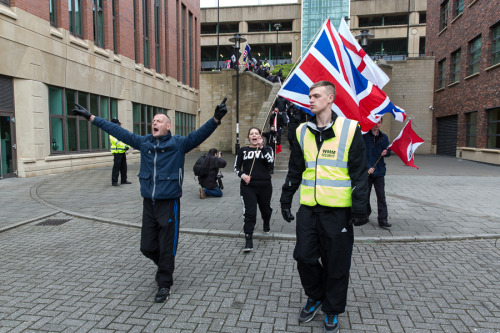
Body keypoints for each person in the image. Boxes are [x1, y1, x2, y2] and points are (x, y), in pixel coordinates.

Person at [72, 98, 228, 303]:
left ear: (168, 126)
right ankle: (166, 266)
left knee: (167, 245)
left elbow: (199, 135)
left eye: (159, 121)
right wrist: (91, 117)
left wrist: (216, 119)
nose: (154, 123)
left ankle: (164, 283)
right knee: (147, 246)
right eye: (153, 120)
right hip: (149, 202)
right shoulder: (143, 142)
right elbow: (118, 131)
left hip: (169, 201)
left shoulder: (178, 144)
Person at [280, 81, 368, 333]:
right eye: (310, 96)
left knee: (336, 263)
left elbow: (360, 173)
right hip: (308, 208)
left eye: (316, 95)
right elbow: (295, 169)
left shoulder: (350, 129)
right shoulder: (300, 132)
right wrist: (286, 198)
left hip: (338, 212)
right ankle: (316, 295)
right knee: (303, 256)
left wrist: (360, 207)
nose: (311, 99)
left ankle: (331, 310)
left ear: (330, 98)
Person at [234, 127, 274, 252]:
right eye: (252, 134)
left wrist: (262, 147)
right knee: (250, 213)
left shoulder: (268, 149)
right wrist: (243, 175)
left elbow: (270, 163)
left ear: (260, 137)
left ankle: (266, 222)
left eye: (256, 133)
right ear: (249, 137)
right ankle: (248, 240)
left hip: (265, 186)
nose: (254, 135)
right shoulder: (243, 151)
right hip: (248, 187)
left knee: (265, 209)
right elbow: (236, 167)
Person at [363, 117, 392, 228]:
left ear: (381, 123)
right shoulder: (365, 136)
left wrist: (387, 152)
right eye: (375, 122)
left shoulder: (384, 137)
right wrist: (367, 167)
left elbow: (388, 150)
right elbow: (362, 153)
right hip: (368, 171)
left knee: (381, 196)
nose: (377, 124)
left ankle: (383, 219)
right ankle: (365, 214)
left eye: (379, 122)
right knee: (365, 195)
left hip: (379, 171)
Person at [109, 118, 132, 186]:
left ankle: (123, 180)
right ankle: (114, 181)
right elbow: (116, 142)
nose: (120, 125)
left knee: (124, 166)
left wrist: (127, 146)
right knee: (117, 167)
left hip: (122, 151)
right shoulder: (112, 132)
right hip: (117, 152)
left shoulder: (119, 132)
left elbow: (124, 140)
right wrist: (125, 146)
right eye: (119, 124)